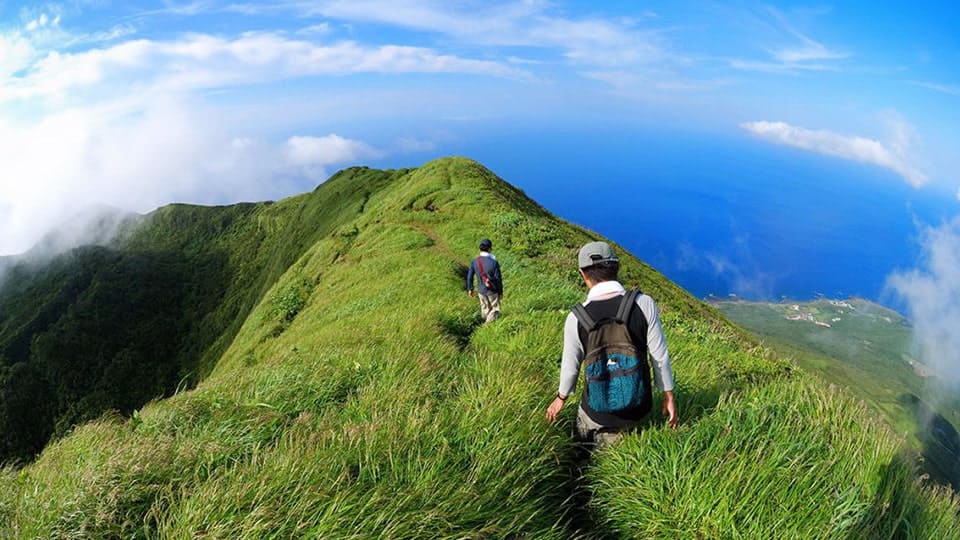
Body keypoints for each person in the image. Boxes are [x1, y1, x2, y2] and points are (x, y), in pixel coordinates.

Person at [545, 241, 677, 446]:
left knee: (582, 446)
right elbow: (659, 356)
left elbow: (570, 367)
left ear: (582, 274)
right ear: (616, 267)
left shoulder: (576, 318)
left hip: (595, 412)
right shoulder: (643, 304)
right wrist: (668, 394)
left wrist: (560, 398)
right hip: (637, 410)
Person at [466, 239, 503, 323]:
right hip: (493, 291)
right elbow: (498, 279)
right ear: (489, 249)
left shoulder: (475, 261)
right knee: (495, 309)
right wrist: (500, 292)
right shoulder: (494, 263)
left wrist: (470, 289)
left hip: (481, 290)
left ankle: (484, 324)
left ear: (480, 249)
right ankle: (488, 325)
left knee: (485, 308)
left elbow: (469, 276)